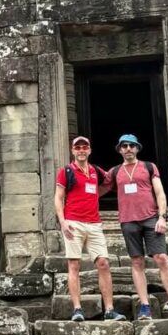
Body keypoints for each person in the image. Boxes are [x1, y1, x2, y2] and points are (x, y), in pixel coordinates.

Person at [108, 134, 168, 320]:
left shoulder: (149, 167)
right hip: (128, 220)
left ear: (137, 148)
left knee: (161, 258)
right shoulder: (114, 172)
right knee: (137, 261)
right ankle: (145, 306)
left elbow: (160, 193)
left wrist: (162, 217)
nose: (128, 148)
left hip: (150, 218)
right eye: (124, 146)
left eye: (132, 145)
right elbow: (96, 189)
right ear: (119, 149)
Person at [55, 136, 125, 322]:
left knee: (103, 263)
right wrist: (62, 221)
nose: (81, 150)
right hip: (73, 222)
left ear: (90, 150)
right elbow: (58, 197)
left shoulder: (95, 171)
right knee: (74, 265)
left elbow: (109, 181)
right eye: (77, 148)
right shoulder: (66, 171)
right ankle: (77, 309)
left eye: (84, 147)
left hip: (94, 223)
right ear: (72, 150)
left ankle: (109, 309)